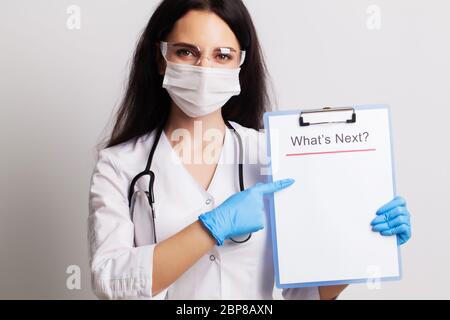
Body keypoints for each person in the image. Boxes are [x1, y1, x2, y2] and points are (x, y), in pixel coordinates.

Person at [88, 0, 411, 300]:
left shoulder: (276, 152)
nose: (204, 69)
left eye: (222, 55)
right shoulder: (121, 165)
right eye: (186, 52)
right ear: (161, 59)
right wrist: (210, 227)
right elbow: (110, 280)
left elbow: (304, 295)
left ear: (240, 64)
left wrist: (361, 241)